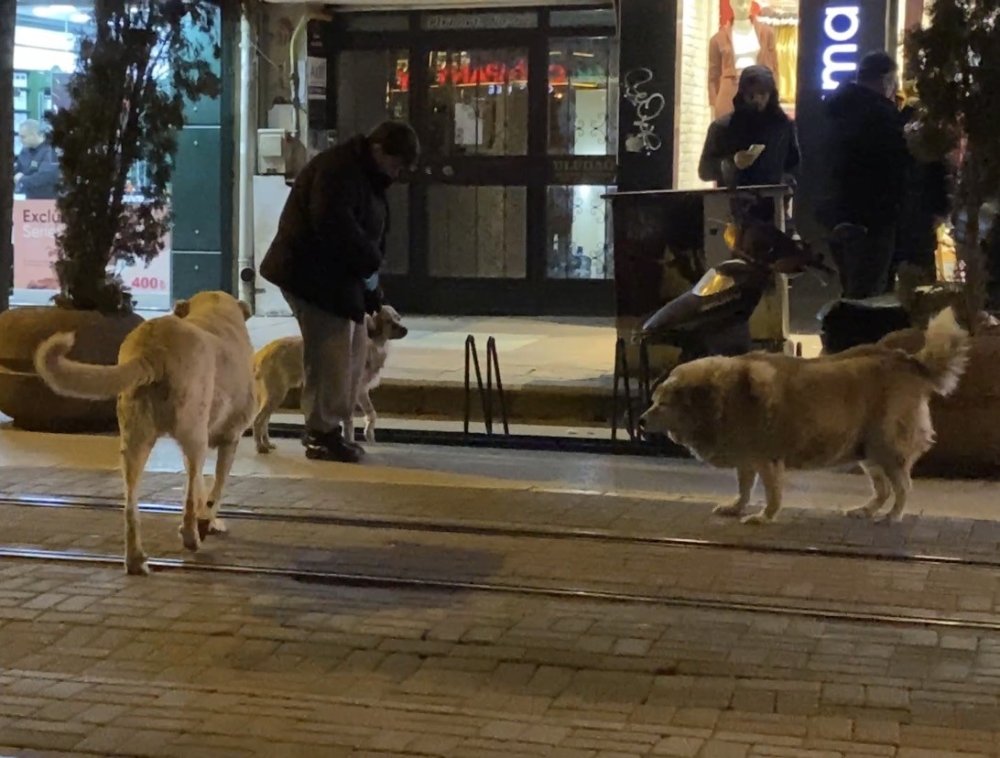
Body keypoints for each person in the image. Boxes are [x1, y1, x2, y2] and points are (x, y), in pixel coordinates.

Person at [259, 120, 420, 463]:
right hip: (310, 275)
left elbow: (370, 232)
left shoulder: (370, 177)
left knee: (354, 349)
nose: (396, 173)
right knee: (330, 350)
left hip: (339, 276)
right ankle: (321, 432)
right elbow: (336, 227)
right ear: (378, 150)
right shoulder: (338, 170)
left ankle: (333, 426)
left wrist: (373, 292)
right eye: (395, 164)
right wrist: (369, 264)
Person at [820, 51, 909, 299]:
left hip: (836, 213)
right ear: (887, 80)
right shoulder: (882, 114)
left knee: (852, 287)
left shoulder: (834, 109)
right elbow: (895, 165)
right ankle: (858, 337)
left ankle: (846, 336)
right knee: (870, 294)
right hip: (873, 218)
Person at [699, 64, 799, 223]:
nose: (757, 99)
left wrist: (784, 185)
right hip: (732, 212)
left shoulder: (783, 126)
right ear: (742, 95)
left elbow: (794, 165)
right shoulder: (723, 128)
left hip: (773, 212)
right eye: (751, 95)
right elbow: (705, 170)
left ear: (770, 94)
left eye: (762, 94)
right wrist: (731, 163)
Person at [14, 119, 60, 199]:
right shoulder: (25, 151)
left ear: (34, 135)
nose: (20, 140)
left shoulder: (50, 150)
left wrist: (22, 179)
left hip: (46, 202)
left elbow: (44, 177)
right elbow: (17, 170)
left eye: (23, 137)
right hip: (26, 198)